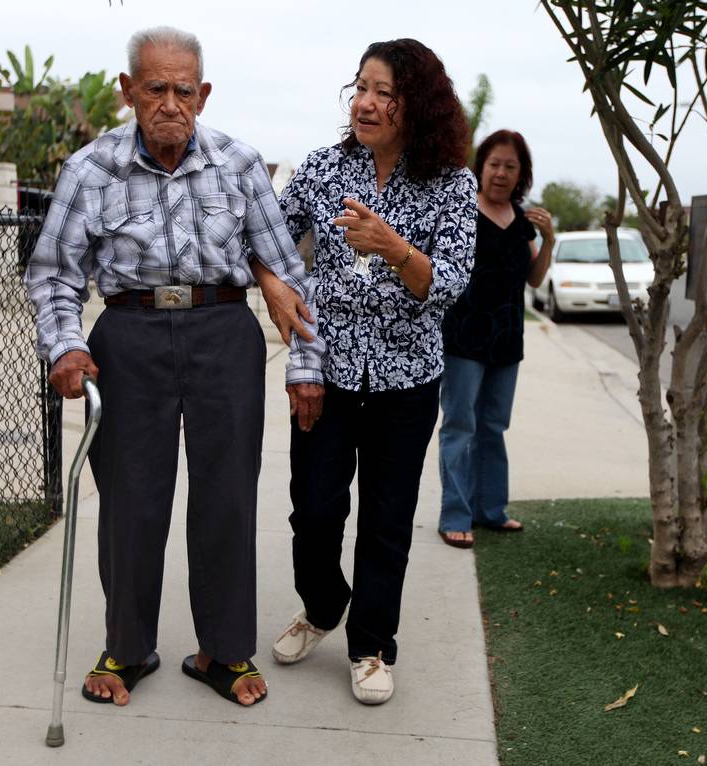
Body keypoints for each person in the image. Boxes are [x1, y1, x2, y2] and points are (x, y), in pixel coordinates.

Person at [24, 26, 325, 709]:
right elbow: (53, 275)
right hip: (128, 335)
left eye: (183, 90)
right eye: (154, 88)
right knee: (130, 502)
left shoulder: (240, 163)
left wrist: (306, 364)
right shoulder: (89, 169)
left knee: (226, 499)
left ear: (204, 93)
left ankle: (223, 650)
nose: (170, 103)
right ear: (127, 91)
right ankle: (126, 648)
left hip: (224, 330)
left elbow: (285, 269)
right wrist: (65, 345)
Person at [252, 39, 476, 705]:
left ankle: (372, 643)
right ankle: (324, 606)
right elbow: (263, 238)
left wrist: (394, 247)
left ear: (418, 105)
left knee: (386, 519)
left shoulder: (452, 184)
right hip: (327, 373)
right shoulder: (323, 170)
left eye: (384, 91)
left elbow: (451, 285)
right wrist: (272, 285)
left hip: (408, 383)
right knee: (314, 513)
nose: (366, 103)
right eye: (361, 87)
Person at [435, 130, 554, 548]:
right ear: (480, 167)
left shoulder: (523, 222)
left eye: (511, 166)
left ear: (521, 174)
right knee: (460, 426)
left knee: (493, 426)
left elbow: (535, 279)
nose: (501, 173)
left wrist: (549, 240)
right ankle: (455, 515)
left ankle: (491, 511)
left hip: (507, 341)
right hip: (464, 340)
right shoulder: (462, 210)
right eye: (494, 164)